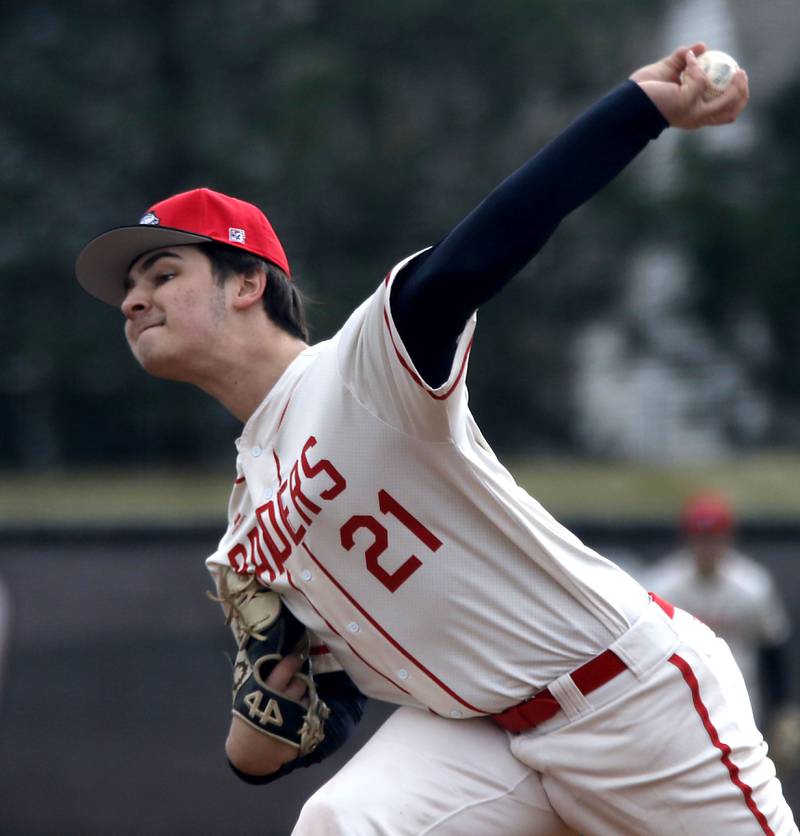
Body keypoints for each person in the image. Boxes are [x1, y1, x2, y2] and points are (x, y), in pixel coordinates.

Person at [74, 43, 798, 834]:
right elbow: (330, 705)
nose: (134, 301)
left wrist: (636, 110)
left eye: (162, 274)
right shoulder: (246, 528)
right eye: (129, 289)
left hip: (630, 702)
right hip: (484, 739)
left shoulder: (358, 369)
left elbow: (480, 251)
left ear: (247, 282)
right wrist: (258, 742)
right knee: (343, 821)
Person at [647, 491, 800, 772]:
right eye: (700, 537)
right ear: (687, 539)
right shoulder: (663, 587)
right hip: (680, 709)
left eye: (714, 536)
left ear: (728, 538)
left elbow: (773, 650)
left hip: (741, 708)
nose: (708, 546)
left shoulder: (752, 587)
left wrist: (783, 711)